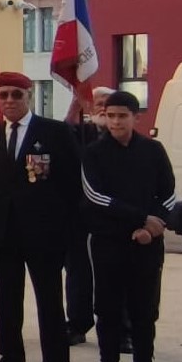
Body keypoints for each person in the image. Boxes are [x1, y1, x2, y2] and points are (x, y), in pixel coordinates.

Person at [0, 71, 81, 362]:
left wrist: (66, 230)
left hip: (44, 234)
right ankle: (10, 361)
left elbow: (71, 185)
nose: (9, 101)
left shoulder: (55, 133)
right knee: (7, 301)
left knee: (49, 301)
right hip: (5, 233)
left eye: (16, 95)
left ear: (29, 96)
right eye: (4, 95)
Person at [82, 90, 176, 362]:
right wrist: (139, 217)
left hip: (148, 244)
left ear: (136, 118)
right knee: (107, 310)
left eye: (123, 116)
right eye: (111, 116)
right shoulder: (94, 153)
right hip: (109, 242)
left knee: (144, 311)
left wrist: (155, 225)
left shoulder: (153, 150)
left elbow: (169, 194)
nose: (117, 121)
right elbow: (96, 196)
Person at [64, 85, 112, 346]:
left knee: (116, 275)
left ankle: (122, 328)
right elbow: (61, 135)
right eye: (98, 101)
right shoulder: (80, 132)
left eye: (108, 101)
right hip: (79, 217)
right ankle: (77, 324)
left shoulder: (125, 138)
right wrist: (75, 104)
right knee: (77, 274)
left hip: (113, 220)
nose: (103, 107)